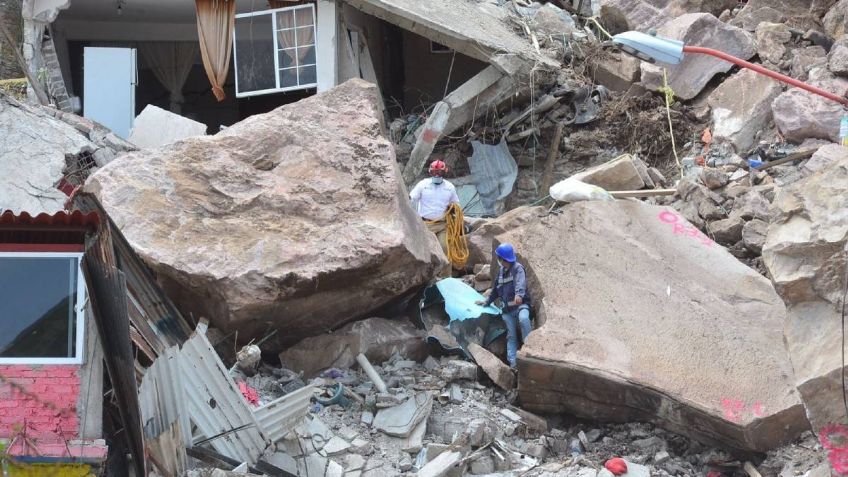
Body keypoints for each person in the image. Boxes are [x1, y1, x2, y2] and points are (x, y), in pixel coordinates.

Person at [475, 243, 532, 368]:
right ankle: (513, 365)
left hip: (521, 306)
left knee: (524, 319)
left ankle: (529, 351)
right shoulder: (501, 272)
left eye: (499, 258)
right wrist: (487, 302)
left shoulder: (518, 269)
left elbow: (520, 282)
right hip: (507, 310)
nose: (499, 261)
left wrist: (519, 294)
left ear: (503, 259)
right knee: (511, 336)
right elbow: (495, 290)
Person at [409, 160, 460, 270]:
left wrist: (453, 209)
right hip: (426, 224)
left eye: (439, 173)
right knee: (426, 251)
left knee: (445, 248)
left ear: (444, 172)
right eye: (434, 172)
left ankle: (446, 277)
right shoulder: (423, 184)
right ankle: (426, 277)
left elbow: (456, 204)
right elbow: (412, 198)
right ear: (430, 172)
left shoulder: (450, 187)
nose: (437, 175)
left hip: (443, 225)